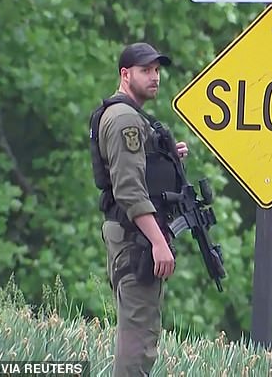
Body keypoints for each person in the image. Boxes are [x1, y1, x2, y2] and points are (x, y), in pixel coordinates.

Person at [89, 42, 189, 376]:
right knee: (138, 338)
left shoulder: (132, 118)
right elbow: (129, 190)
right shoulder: (124, 121)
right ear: (125, 73)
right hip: (137, 240)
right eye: (146, 70)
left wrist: (165, 156)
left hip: (134, 237)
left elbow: (135, 167)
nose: (155, 77)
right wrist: (159, 241)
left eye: (157, 70)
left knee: (142, 331)